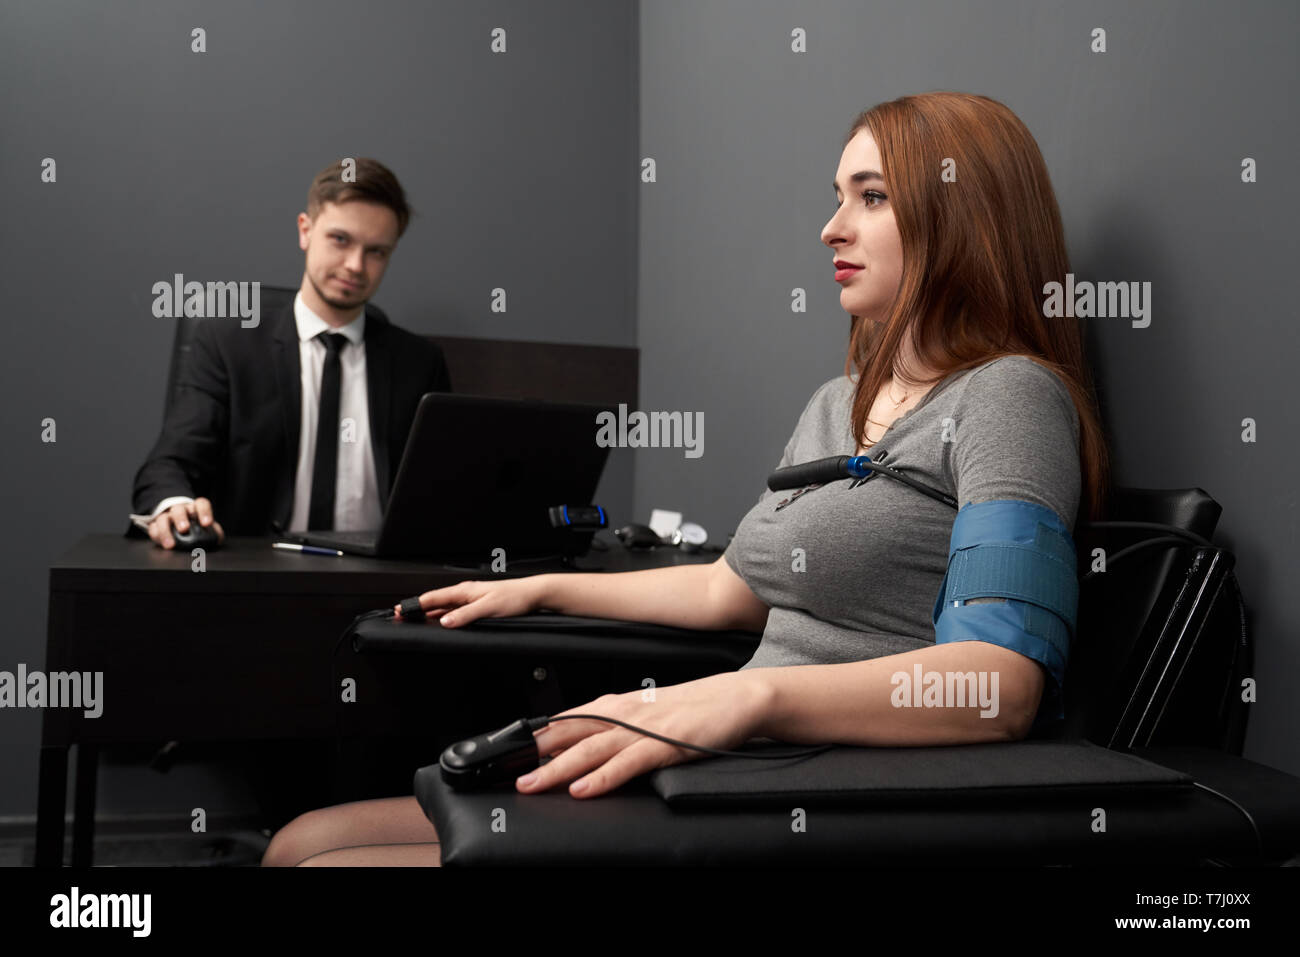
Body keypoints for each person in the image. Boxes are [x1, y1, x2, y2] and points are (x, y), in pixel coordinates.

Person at [262, 91, 1111, 867]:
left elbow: (1000, 686)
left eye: (871, 196)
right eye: (838, 194)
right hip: (731, 752)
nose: (831, 227)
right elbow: (725, 592)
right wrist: (542, 587)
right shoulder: (839, 401)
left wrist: (747, 702)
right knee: (304, 842)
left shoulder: (1009, 396)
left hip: (826, 787)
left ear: (960, 215)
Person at [128, 157, 451, 546]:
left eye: (376, 252)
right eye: (341, 239)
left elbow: (443, 493)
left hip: (379, 587)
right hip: (255, 580)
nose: (355, 265)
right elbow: (170, 464)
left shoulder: (419, 365)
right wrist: (175, 506)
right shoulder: (229, 345)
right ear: (305, 230)